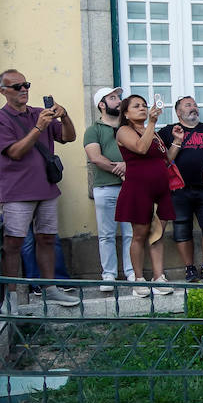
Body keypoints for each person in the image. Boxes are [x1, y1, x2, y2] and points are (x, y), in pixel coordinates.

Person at [0, 69, 79, 309]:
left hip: (46, 188)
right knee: (13, 243)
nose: (23, 89)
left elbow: (69, 137)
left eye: (25, 84)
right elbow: (15, 152)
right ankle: (11, 295)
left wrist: (64, 116)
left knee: (47, 239)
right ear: (2, 91)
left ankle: (50, 288)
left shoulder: (40, 113)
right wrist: (38, 128)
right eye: (16, 86)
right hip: (17, 192)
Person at [115, 94, 176, 296]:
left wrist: (177, 142)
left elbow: (166, 158)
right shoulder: (124, 130)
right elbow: (141, 148)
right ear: (126, 113)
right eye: (136, 106)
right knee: (140, 235)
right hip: (138, 189)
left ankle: (159, 277)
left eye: (144, 105)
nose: (142, 108)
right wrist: (151, 122)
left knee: (157, 235)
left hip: (160, 189)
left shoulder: (153, 131)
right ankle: (138, 279)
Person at [158, 97, 203, 282]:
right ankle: (189, 269)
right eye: (188, 105)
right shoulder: (168, 131)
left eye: (195, 104)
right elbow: (161, 159)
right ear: (178, 112)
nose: (193, 107)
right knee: (181, 230)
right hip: (178, 190)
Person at [83, 86, 136, 292]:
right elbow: (95, 158)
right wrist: (121, 170)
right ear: (102, 105)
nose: (118, 101)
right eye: (113, 98)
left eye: (119, 97)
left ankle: (132, 271)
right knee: (106, 234)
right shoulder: (93, 130)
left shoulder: (129, 127)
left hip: (131, 188)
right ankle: (109, 275)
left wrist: (128, 169)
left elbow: (140, 152)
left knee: (131, 233)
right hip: (106, 188)